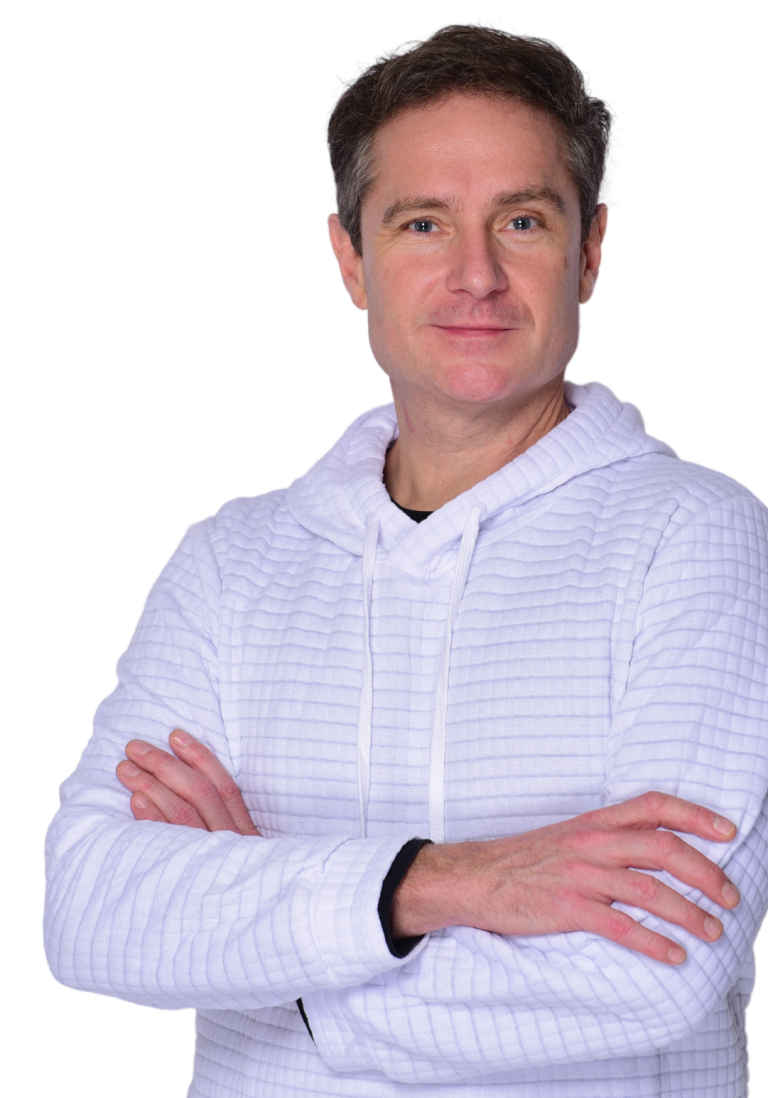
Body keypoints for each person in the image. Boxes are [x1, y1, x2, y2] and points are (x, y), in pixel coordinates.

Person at [43, 21, 767, 1098]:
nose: (476, 276)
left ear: (590, 251)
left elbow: (658, 968)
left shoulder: (704, 536)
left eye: (522, 220)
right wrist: (433, 885)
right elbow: (88, 914)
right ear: (351, 259)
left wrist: (274, 963)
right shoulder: (231, 560)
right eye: (423, 222)